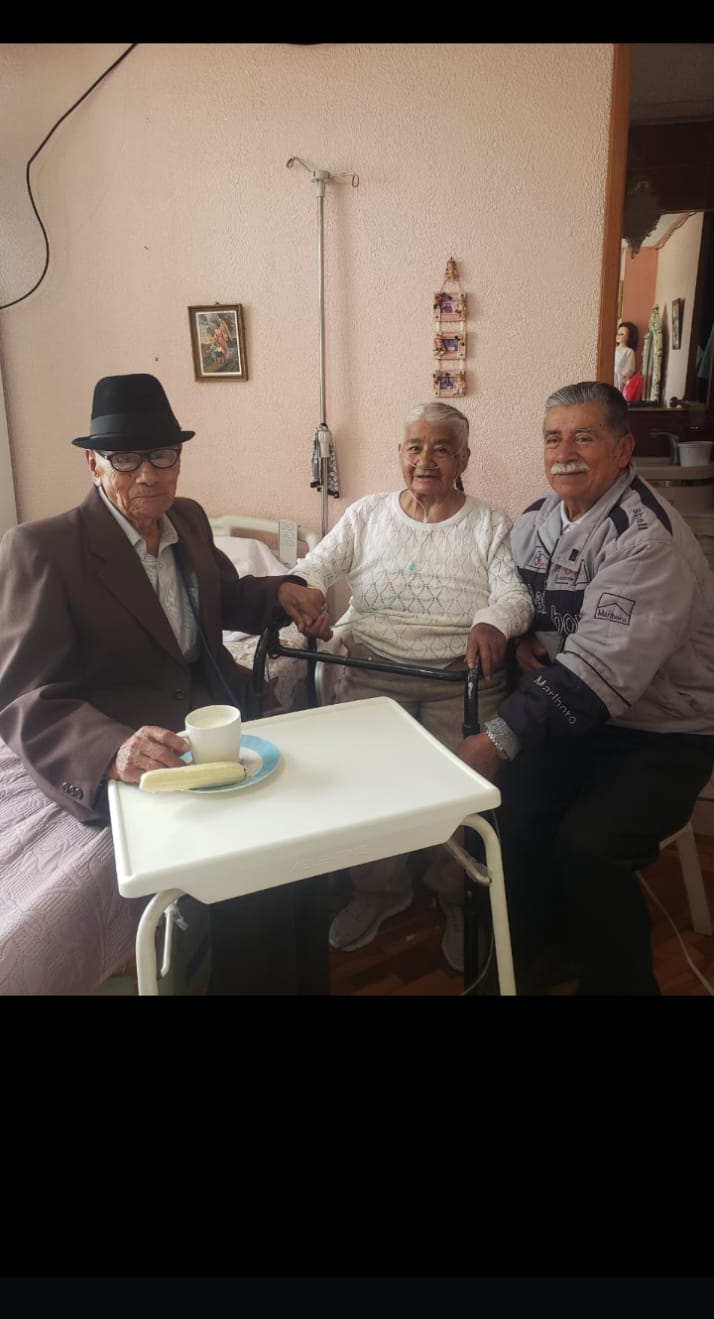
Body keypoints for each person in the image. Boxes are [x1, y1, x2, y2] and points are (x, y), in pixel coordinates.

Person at [0, 373, 331, 995]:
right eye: (126, 459)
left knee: (309, 861)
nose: (148, 474)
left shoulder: (189, 521)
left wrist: (279, 592)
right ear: (94, 463)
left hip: (220, 728)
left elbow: (222, 597)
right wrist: (111, 750)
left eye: (162, 455)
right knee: (249, 885)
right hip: (145, 755)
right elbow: (26, 697)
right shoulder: (44, 549)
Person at [456, 381, 714, 995]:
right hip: (582, 721)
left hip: (666, 731)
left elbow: (598, 672)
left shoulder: (645, 538)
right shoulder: (535, 521)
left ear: (623, 450)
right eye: (553, 438)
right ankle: (537, 957)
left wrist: (493, 740)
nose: (565, 452)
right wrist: (519, 635)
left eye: (584, 437)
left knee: (588, 847)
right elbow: (516, 600)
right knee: (506, 811)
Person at [288, 401, 534, 972]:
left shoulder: (491, 523)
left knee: (459, 792)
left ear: (463, 458)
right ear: (399, 454)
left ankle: (454, 894)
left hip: (460, 680)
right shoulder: (367, 514)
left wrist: (492, 621)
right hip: (375, 672)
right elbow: (318, 564)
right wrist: (307, 591)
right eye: (415, 448)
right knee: (370, 787)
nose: (426, 460)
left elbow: (515, 595)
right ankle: (380, 890)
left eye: (441, 448)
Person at [614, 320, 638, 394]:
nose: (618, 336)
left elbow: (629, 368)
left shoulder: (629, 351)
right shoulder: (613, 349)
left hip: (620, 379)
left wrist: (623, 376)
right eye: (617, 333)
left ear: (629, 337)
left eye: (622, 334)